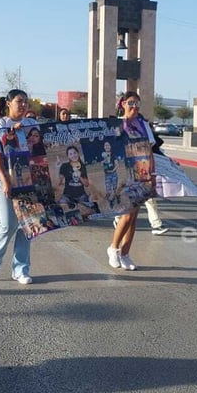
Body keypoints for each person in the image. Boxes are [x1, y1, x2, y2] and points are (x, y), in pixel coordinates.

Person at [0, 90, 39, 284]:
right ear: (9, 103)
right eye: (19, 101)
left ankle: (20, 269)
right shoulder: (0, 126)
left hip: (27, 180)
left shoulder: (32, 124)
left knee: (27, 226)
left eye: (26, 101)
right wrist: (5, 181)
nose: (23, 105)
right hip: (3, 178)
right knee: (9, 223)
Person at [107, 91, 155, 271]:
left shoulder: (144, 125)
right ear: (123, 104)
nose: (134, 107)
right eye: (131, 103)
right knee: (127, 214)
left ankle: (125, 254)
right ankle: (113, 248)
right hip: (123, 175)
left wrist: (152, 173)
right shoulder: (116, 125)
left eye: (137, 104)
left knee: (134, 217)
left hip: (141, 175)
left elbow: (150, 152)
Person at [54, 145, 100, 216]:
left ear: (78, 153)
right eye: (71, 154)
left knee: (86, 212)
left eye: (75, 153)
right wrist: (58, 168)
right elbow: (59, 183)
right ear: (68, 156)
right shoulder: (65, 166)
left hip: (81, 195)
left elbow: (86, 184)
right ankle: (72, 205)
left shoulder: (82, 166)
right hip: (67, 195)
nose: (73, 155)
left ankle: (84, 206)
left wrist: (80, 176)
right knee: (61, 209)